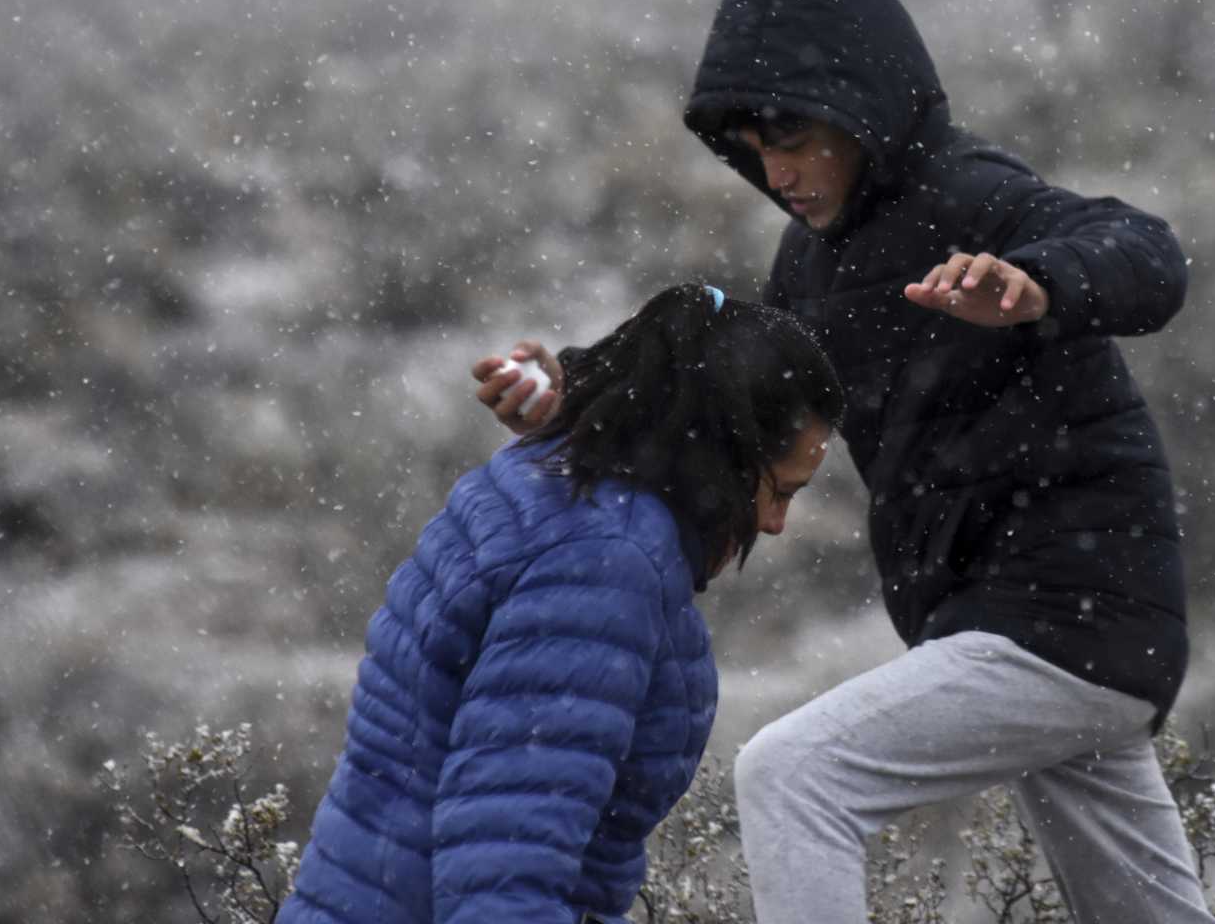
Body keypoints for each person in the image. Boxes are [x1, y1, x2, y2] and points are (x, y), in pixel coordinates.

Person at [480, 0, 1211, 924]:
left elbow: (1147, 251)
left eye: (793, 130)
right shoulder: (813, 261)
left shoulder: (969, 196)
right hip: (1054, 634)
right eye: (751, 140)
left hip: (1066, 621)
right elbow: (718, 370)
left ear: (864, 104)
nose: (774, 167)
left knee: (794, 775)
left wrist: (1042, 284)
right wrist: (572, 386)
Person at [281, 284, 843, 924]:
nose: (774, 523)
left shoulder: (558, 478)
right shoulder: (605, 562)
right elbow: (506, 858)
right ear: (721, 456)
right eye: (781, 490)